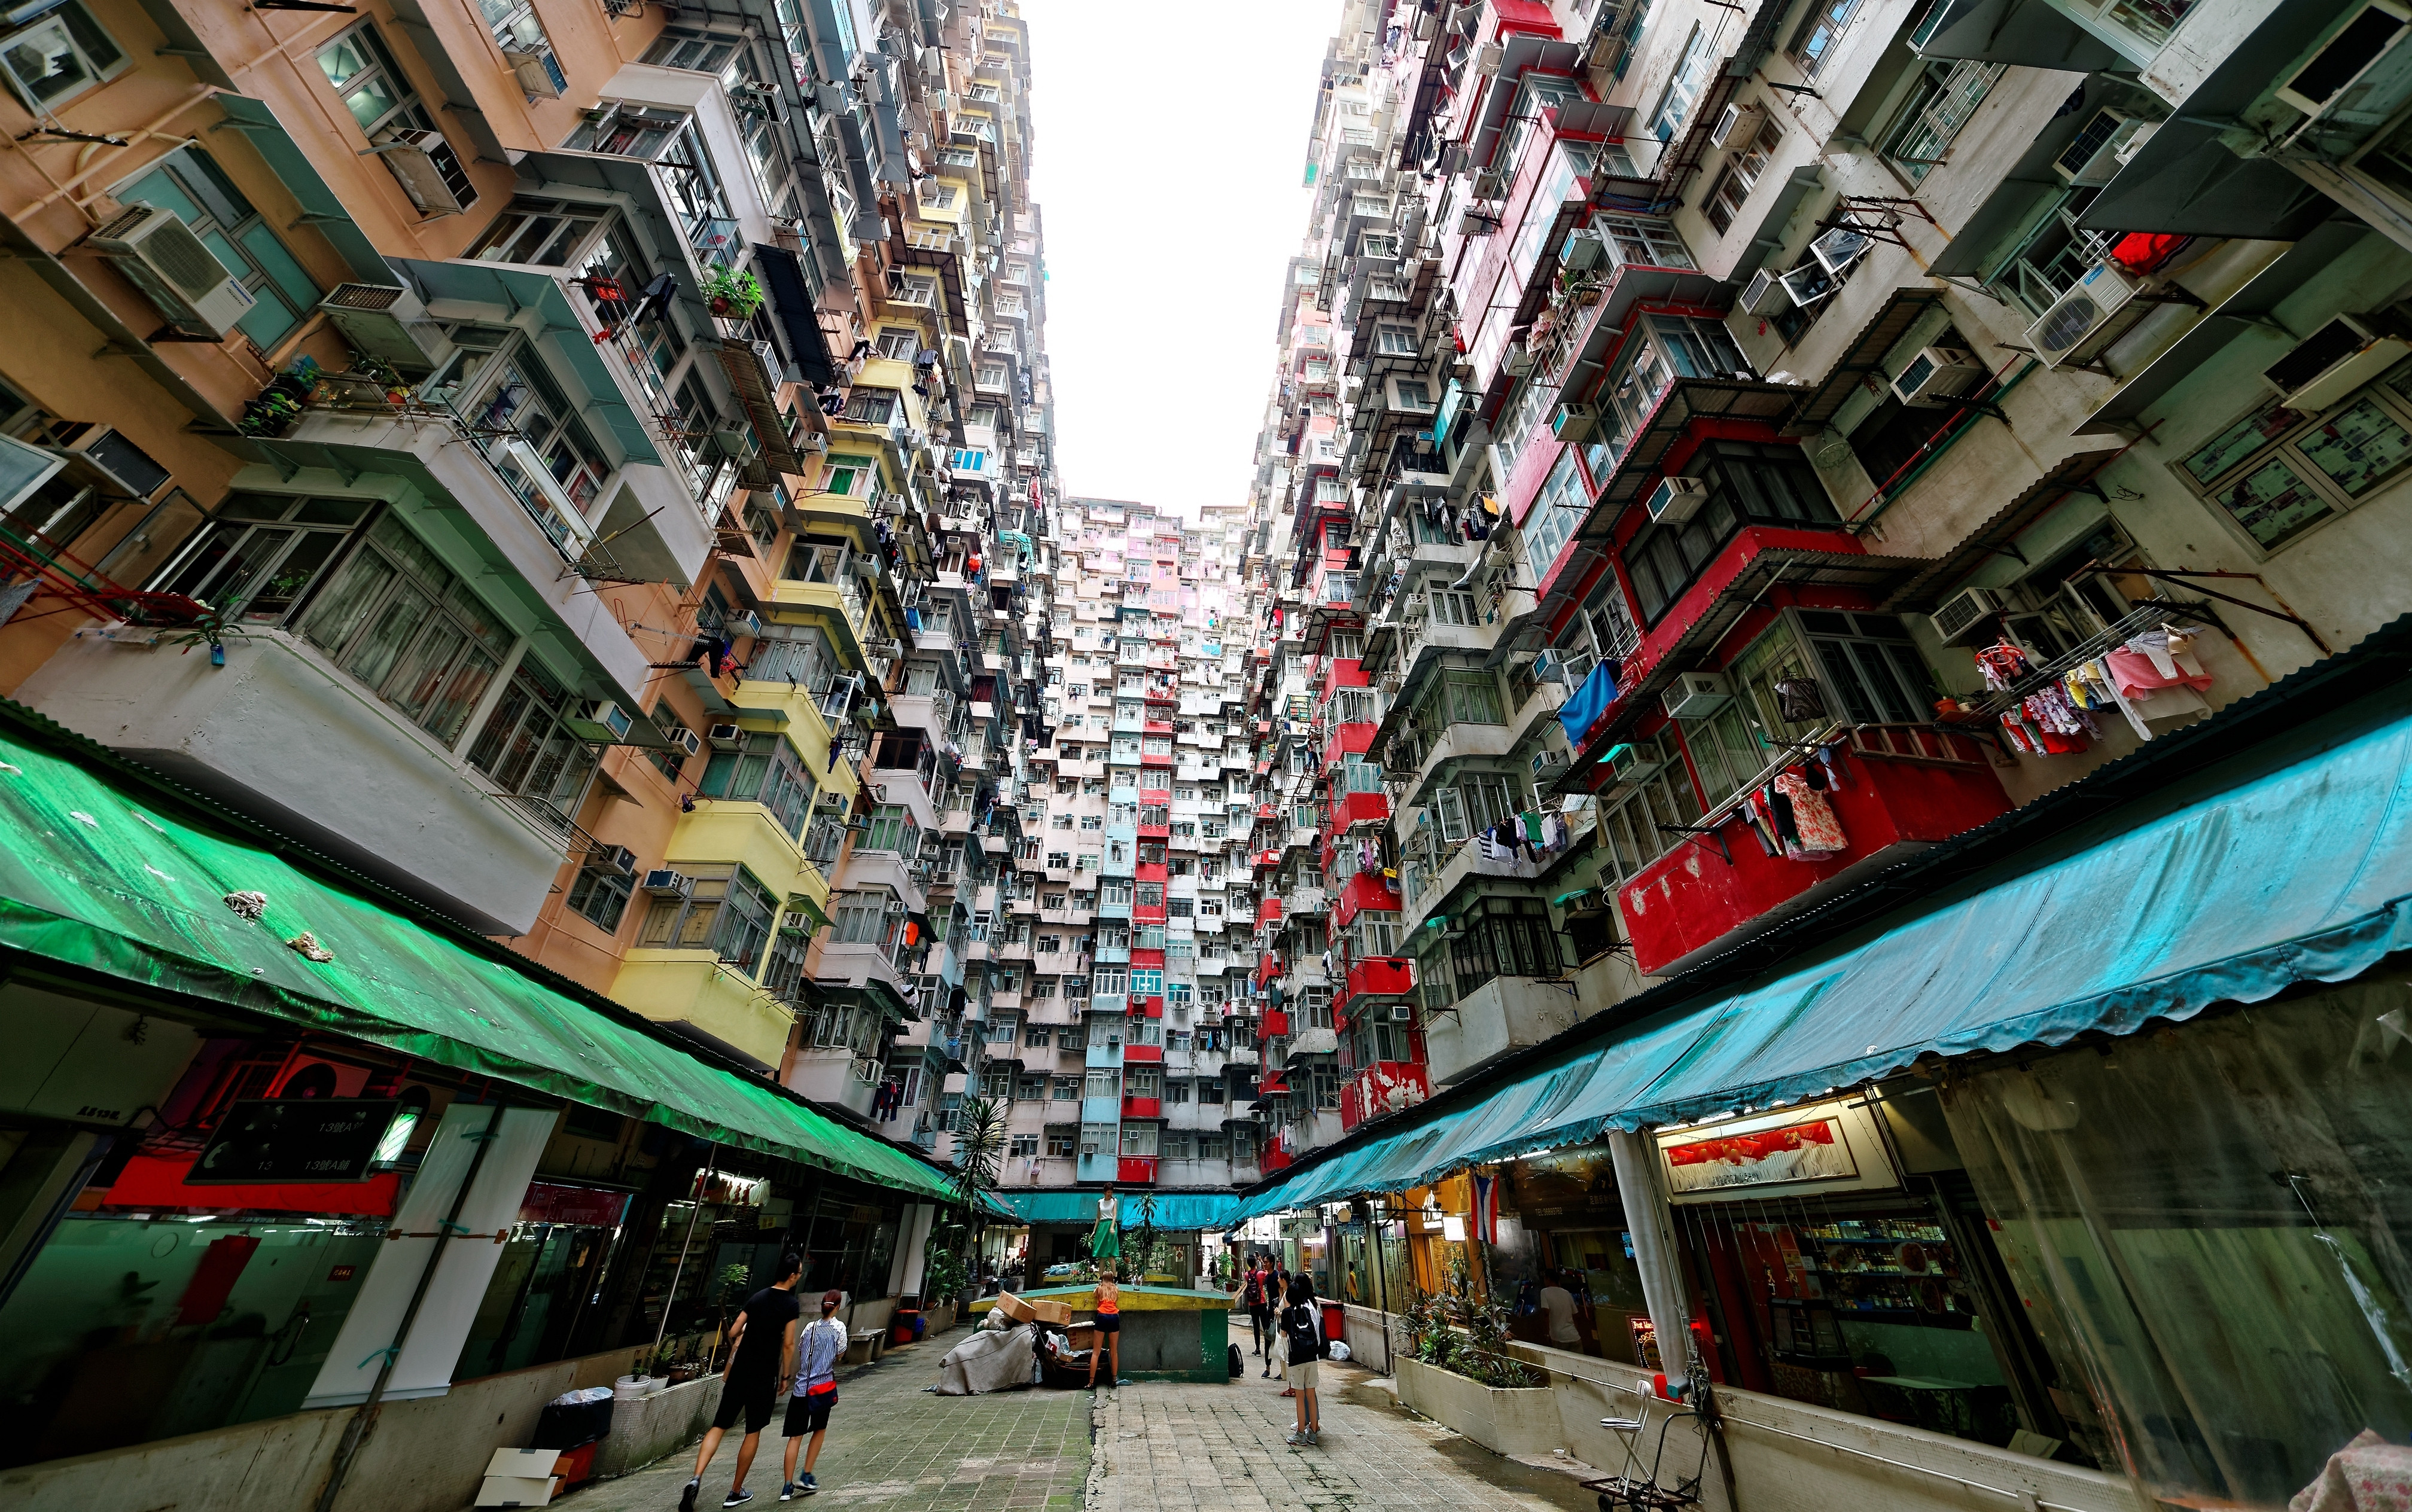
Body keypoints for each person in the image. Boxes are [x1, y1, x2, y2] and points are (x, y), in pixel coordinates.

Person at [681, 1253, 803, 1511]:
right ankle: (735, 1492)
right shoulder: (791, 1305)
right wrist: (785, 1376)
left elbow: (734, 1330)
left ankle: (696, 1478)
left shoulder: (757, 1297)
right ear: (792, 1276)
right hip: (764, 1375)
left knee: (719, 1426)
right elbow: (789, 1344)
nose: (799, 1277)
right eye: (800, 1273)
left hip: (740, 1372)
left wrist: (751, 1329)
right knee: (753, 1431)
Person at [779, 1290, 848, 1499]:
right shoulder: (839, 1328)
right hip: (822, 1388)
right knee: (819, 1429)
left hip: (801, 1388)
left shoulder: (809, 1327)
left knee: (795, 1436)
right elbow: (840, 1354)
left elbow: (801, 1351)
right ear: (837, 1307)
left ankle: (787, 1487)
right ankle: (807, 1474)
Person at [1280, 1272, 1323, 1447]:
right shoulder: (1308, 1309)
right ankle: (1313, 1432)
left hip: (1297, 1358)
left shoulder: (1287, 1313)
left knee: (1300, 1397)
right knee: (1311, 1395)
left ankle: (1300, 1434)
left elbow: (1284, 1335)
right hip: (1312, 1356)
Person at [1085, 1263, 1128, 1389]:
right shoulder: (1116, 1290)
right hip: (1114, 1317)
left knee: (1096, 1352)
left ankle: (1091, 1382)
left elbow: (1096, 1298)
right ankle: (1114, 1380)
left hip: (1102, 1317)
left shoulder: (1099, 1289)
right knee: (1113, 1351)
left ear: (1103, 1279)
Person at [1537, 1270, 1583, 1351]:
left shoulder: (1544, 1292)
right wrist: (1574, 1330)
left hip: (1558, 1337)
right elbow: (1576, 1315)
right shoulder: (1566, 1293)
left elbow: (1546, 1313)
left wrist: (1548, 1334)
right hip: (1574, 1336)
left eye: (1545, 1279)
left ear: (1548, 1279)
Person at [1251, 1255, 1280, 1376]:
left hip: (1279, 1310)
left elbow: (1281, 1293)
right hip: (1270, 1309)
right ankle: (1268, 1368)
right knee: (1267, 1337)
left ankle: (1283, 1370)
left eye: (1267, 1262)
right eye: (1264, 1262)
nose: (1265, 1264)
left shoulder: (1277, 1276)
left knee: (1281, 1339)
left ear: (1272, 1263)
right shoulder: (1267, 1277)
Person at [1088, 1184, 1120, 1262]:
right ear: (1105, 1192)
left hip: (1110, 1224)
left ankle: (1114, 1271)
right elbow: (1098, 1217)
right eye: (1108, 1192)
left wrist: (1112, 1227)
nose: (1110, 1194)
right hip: (1102, 1225)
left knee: (1110, 1253)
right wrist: (1094, 1231)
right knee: (1102, 1254)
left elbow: (1115, 1215)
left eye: (1111, 1192)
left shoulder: (1114, 1201)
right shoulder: (1100, 1202)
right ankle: (1101, 1270)